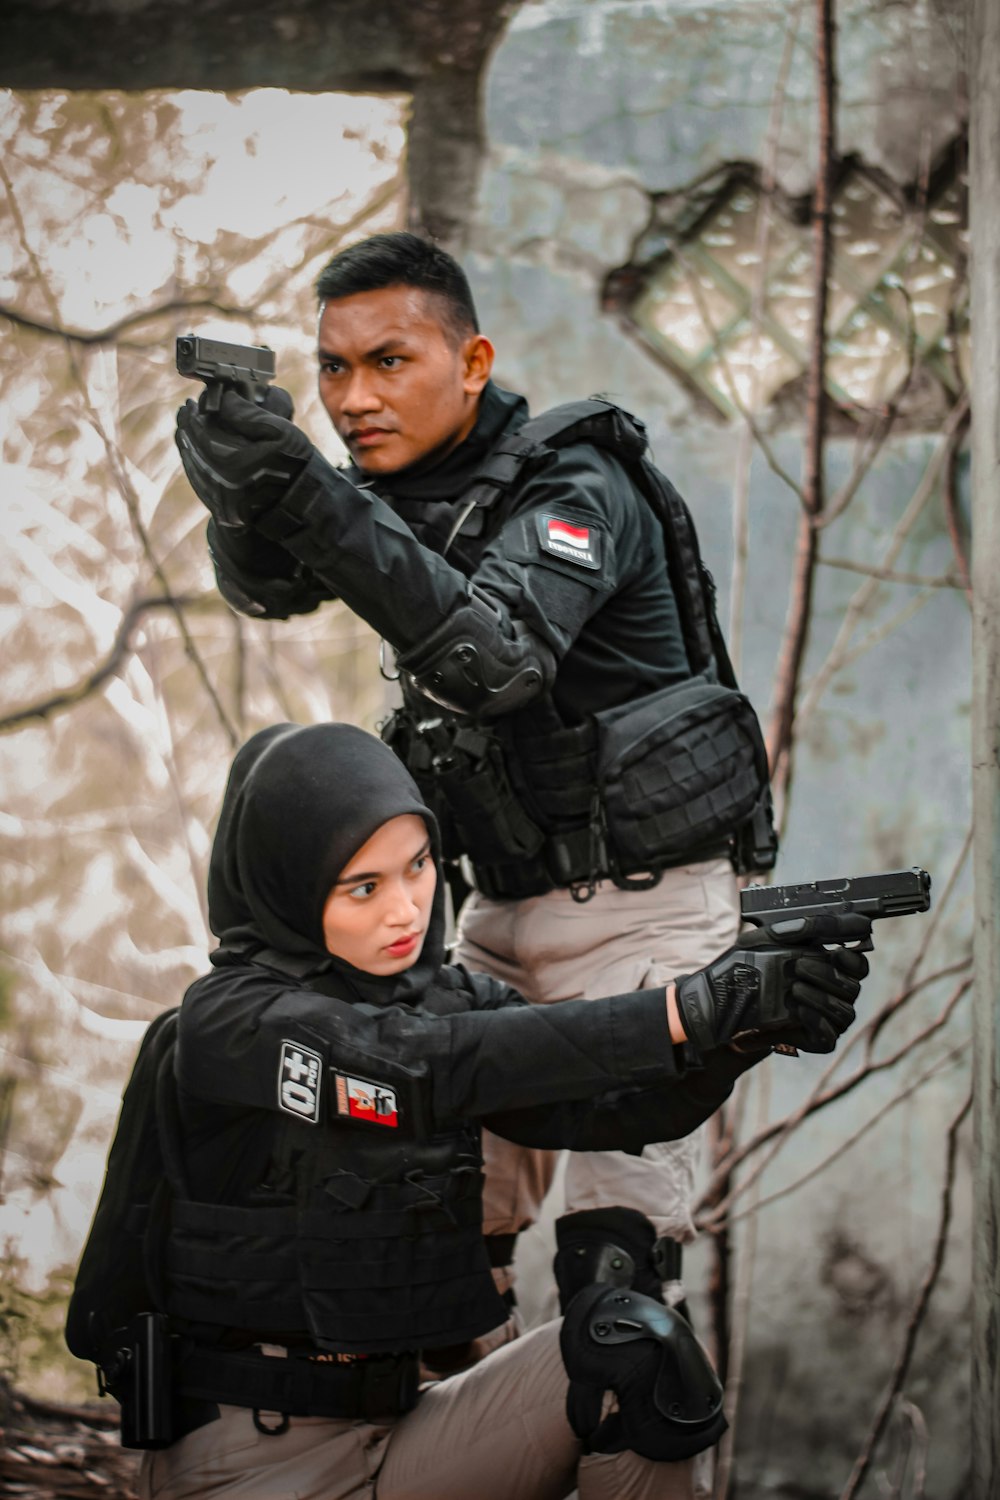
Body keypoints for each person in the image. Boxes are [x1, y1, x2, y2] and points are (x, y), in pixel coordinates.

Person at [174, 230, 774, 1489]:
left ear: (473, 358)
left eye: (388, 361)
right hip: (488, 925)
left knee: (615, 1295)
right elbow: (271, 587)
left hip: (643, 918)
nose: (352, 398)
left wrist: (305, 487)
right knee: (456, 1267)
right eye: (332, 369)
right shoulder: (390, 487)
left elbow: (493, 659)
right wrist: (239, 478)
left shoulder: (577, 486)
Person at [89, 721, 868, 1500]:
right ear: (289, 884)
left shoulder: (444, 998)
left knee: (637, 1351)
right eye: (365, 887)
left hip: (413, 1433)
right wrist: (686, 1008)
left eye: (419, 865)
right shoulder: (229, 1023)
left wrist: (746, 1030)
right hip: (250, 1461)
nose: (407, 909)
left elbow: (613, 1109)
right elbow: (419, 1068)